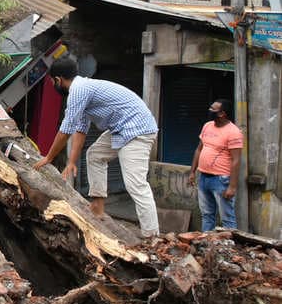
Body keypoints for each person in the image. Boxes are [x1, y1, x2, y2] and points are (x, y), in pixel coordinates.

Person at [33, 56, 160, 238]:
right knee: (94, 155)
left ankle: (152, 236)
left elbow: (65, 130)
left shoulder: (78, 90)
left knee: (136, 184)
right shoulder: (82, 91)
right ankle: (98, 206)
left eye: (54, 82)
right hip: (121, 128)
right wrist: (71, 161)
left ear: (58, 80)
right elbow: (80, 130)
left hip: (137, 129)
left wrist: (49, 157)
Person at [188, 99, 242, 231]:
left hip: (221, 180)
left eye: (213, 109)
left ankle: (229, 248)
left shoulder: (233, 132)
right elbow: (199, 149)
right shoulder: (207, 126)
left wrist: (232, 187)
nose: (210, 111)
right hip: (203, 178)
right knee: (206, 215)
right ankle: (206, 244)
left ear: (222, 113)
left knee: (227, 218)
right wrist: (192, 172)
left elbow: (236, 160)